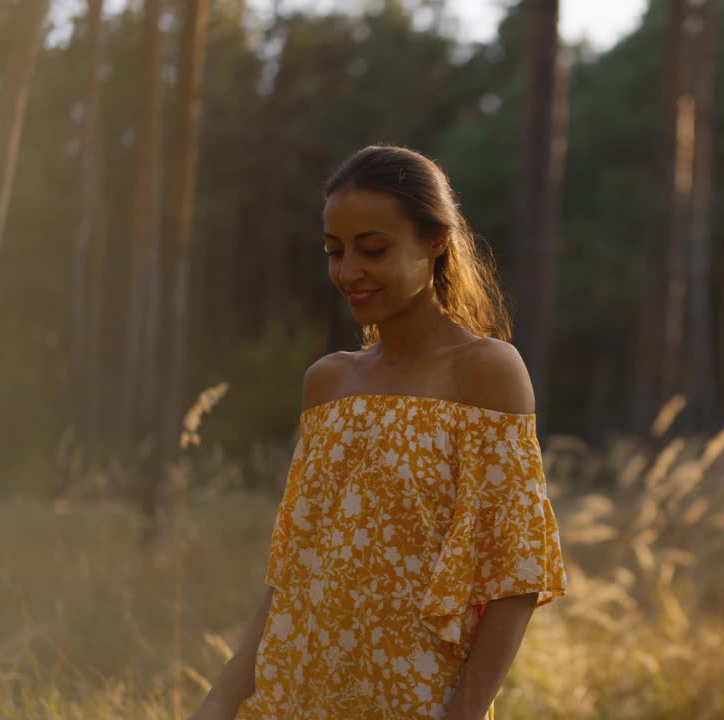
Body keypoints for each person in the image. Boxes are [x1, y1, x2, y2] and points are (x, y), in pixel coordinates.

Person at [190, 145, 568, 720]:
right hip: (300, 693)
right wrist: (224, 695)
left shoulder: (485, 372)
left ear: (436, 240)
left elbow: (514, 575)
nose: (348, 272)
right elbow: (292, 567)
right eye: (335, 252)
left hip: (416, 700)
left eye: (373, 249)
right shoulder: (328, 382)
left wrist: (464, 712)